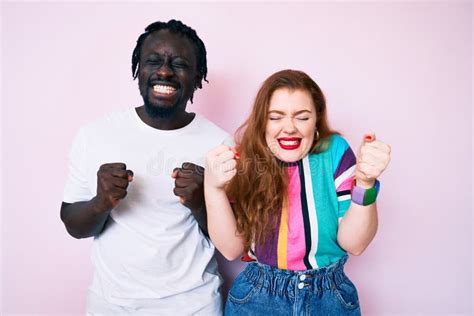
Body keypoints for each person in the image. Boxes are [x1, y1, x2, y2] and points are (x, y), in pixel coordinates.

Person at [61, 20, 229, 315]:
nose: (164, 71)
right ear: (138, 69)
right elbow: (73, 225)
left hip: (193, 305)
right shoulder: (96, 134)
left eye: (179, 64)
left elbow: (232, 241)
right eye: (153, 61)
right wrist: (101, 203)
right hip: (111, 305)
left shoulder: (220, 144)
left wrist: (201, 203)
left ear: (198, 75)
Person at [204, 69, 391, 315]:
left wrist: (365, 183)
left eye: (302, 117)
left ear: (316, 121)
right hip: (257, 299)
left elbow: (354, 244)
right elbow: (230, 248)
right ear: (262, 122)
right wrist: (213, 186)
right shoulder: (245, 160)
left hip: (329, 299)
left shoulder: (334, 152)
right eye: (275, 117)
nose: (289, 127)